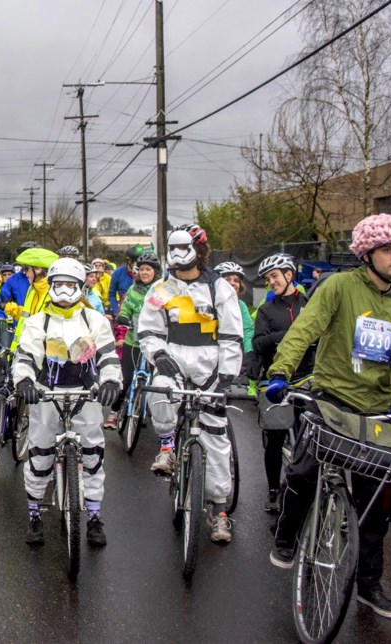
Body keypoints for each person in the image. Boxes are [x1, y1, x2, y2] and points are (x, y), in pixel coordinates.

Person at [265, 213, 391, 620]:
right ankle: (286, 537)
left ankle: (370, 585)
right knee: (302, 471)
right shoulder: (338, 286)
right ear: (367, 254)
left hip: (376, 411)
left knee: (374, 507)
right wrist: (281, 371)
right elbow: (306, 329)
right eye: (388, 249)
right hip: (333, 398)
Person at [139, 226, 243, 543]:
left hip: (210, 366)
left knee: (215, 437)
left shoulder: (219, 288)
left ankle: (219, 510)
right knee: (158, 394)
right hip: (174, 361)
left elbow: (231, 335)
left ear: (199, 250)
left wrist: (226, 376)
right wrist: (160, 357)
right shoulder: (161, 288)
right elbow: (148, 329)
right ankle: (168, 446)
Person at [13, 258, 121, 547]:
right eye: (57, 284)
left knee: (93, 456)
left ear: (79, 286)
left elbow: (109, 357)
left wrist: (111, 381)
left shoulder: (94, 320)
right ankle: (35, 514)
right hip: (47, 397)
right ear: (50, 286)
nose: (63, 290)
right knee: (40, 456)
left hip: (86, 398)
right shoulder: (38, 322)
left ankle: (95, 516)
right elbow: (25, 356)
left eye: (69, 284)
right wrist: (24, 381)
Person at [248, 254, 312, 513]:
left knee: (313, 440)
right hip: (277, 380)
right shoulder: (266, 310)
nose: (270, 282)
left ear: (289, 274)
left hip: (308, 377)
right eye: (267, 279)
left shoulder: (309, 304)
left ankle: (309, 488)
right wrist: (289, 335)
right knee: (275, 439)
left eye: (274, 276)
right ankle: (274, 489)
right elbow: (259, 342)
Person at [105, 252, 162, 429]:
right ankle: (114, 412)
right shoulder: (132, 289)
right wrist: (122, 317)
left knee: (155, 382)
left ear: (155, 272)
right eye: (142, 269)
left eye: (148, 269)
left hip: (154, 343)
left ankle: (152, 411)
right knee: (127, 379)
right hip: (133, 342)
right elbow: (125, 309)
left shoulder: (162, 290)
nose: (144, 273)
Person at [107, 246, 142, 315]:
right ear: (129, 261)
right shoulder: (117, 273)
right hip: (123, 311)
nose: (137, 265)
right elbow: (112, 294)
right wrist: (116, 311)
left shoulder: (144, 273)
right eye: (135, 262)